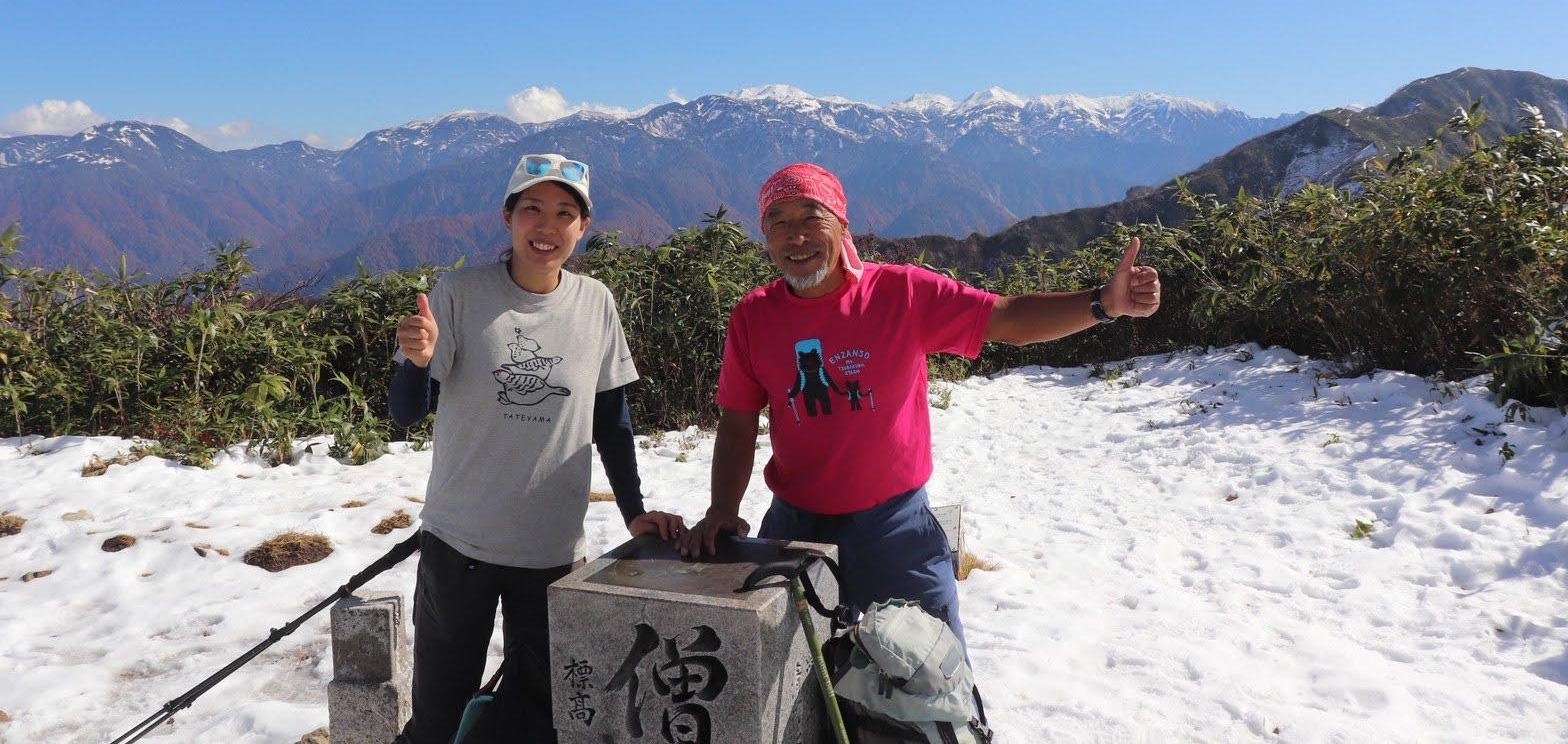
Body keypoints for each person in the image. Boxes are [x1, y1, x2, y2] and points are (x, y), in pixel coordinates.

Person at [678, 162, 1161, 648]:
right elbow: (738, 420)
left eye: (811, 217)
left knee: (933, 688)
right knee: (799, 695)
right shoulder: (754, 316)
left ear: (842, 225)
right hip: (794, 527)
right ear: (765, 237)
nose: (795, 236)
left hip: (897, 530)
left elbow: (1006, 317)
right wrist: (723, 507)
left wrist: (1103, 304)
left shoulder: (900, 293)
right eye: (778, 222)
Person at [389, 152, 684, 744]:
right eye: (532, 209)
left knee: (543, 717)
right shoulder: (460, 293)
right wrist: (417, 364)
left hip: (551, 548)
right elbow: (405, 414)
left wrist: (634, 512)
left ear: (583, 227)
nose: (546, 226)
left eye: (564, 213)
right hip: (460, 543)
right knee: (439, 717)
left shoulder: (595, 302)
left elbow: (611, 418)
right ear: (507, 217)